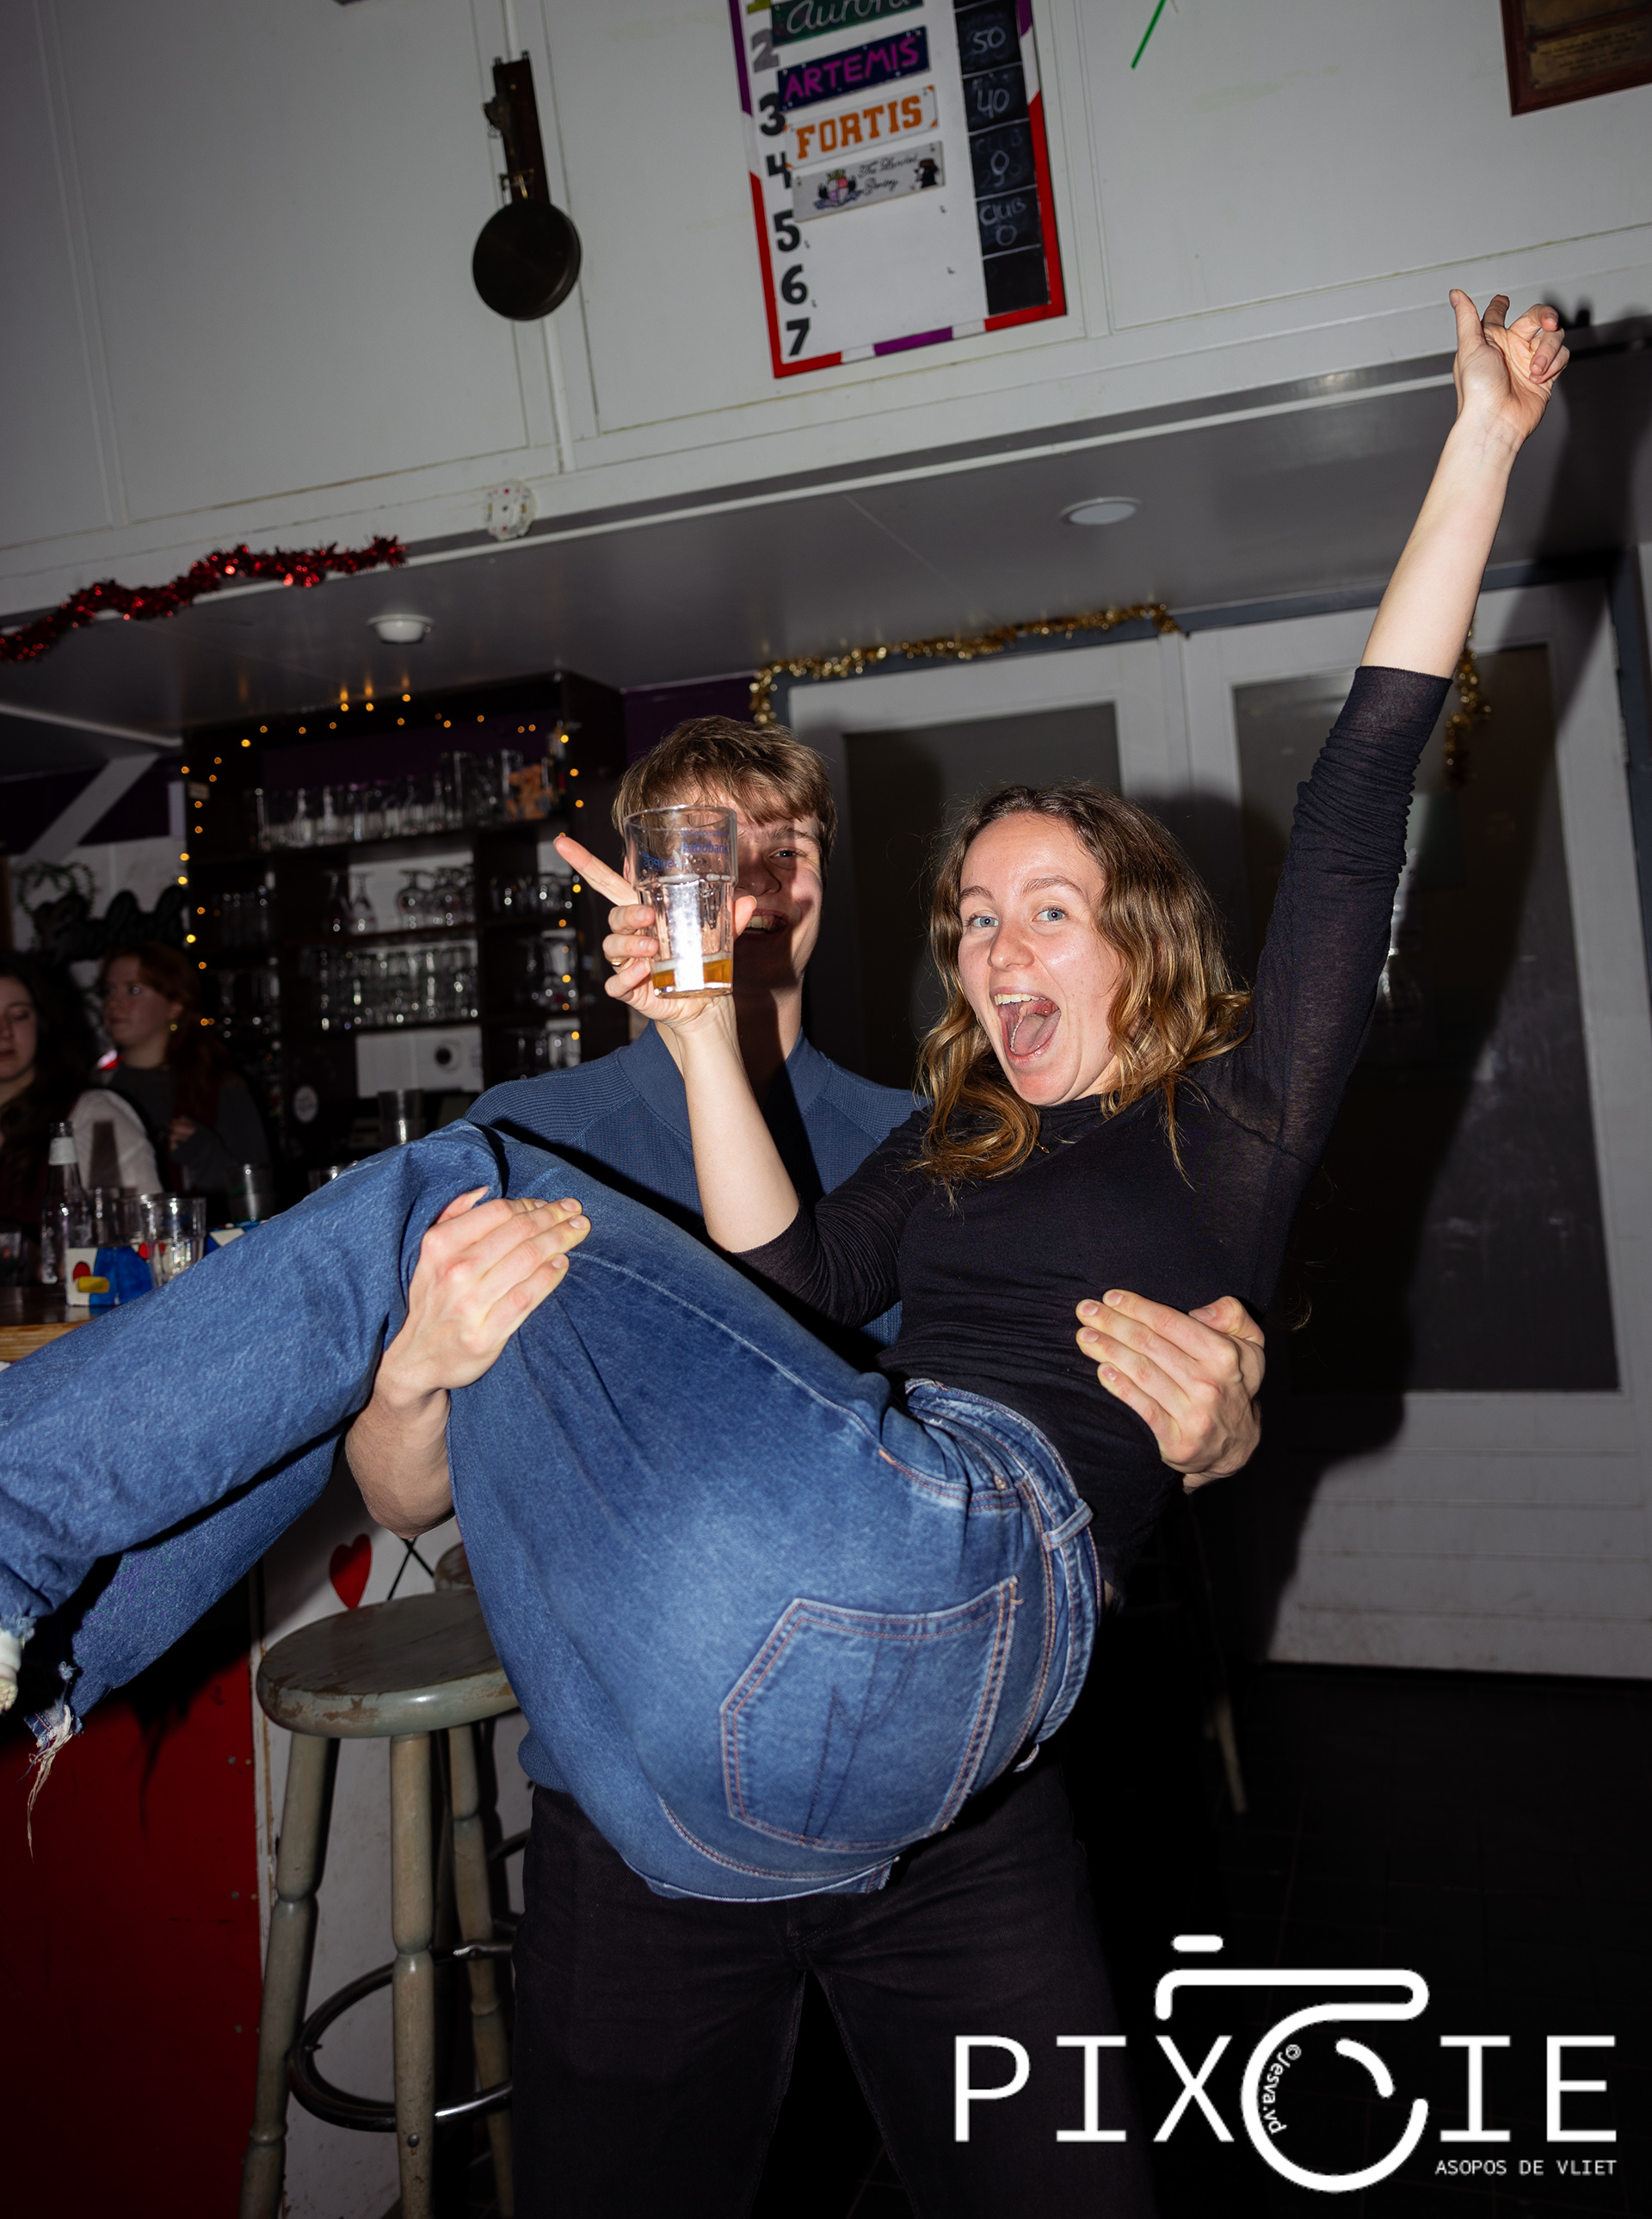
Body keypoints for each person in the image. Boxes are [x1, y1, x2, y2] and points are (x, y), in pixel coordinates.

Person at [0, 289, 1562, 2197]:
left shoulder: (1226, 1123)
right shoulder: (940, 1153)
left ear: (1144, 939)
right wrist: (685, 1046)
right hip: (680, 1709)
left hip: (951, 1607)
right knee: (460, 1184)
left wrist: (1481, 438)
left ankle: (22, 1561)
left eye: (1047, 909)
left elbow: (1357, 798)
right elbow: (789, 1299)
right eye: (973, 918)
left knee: (445, 1178)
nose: (994, 946)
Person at [384, 715, 1265, 2217]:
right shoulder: (521, 1141)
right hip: (637, 1816)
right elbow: (401, 1494)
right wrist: (415, 1371)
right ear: (645, 887)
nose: (748, 889)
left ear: (818, 883)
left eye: (781, 853)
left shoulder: (947, 1137)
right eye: (703, 856)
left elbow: (1075, 1436)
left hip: (957, 1806)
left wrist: (1219, 1436)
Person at [0, 952, 161, 1255]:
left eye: (18, 1016)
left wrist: (34, 1261)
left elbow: (140, 1247)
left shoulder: (94, 1115)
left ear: (42, 1023)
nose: (4, 1032)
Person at [99, 941, 272, 1200]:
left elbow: (259, 1193)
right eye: (108, 991)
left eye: (133, 990)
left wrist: (204, 1154)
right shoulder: (93, 1090)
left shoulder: (219, 1088)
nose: (114, 1002)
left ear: (175, 1006)